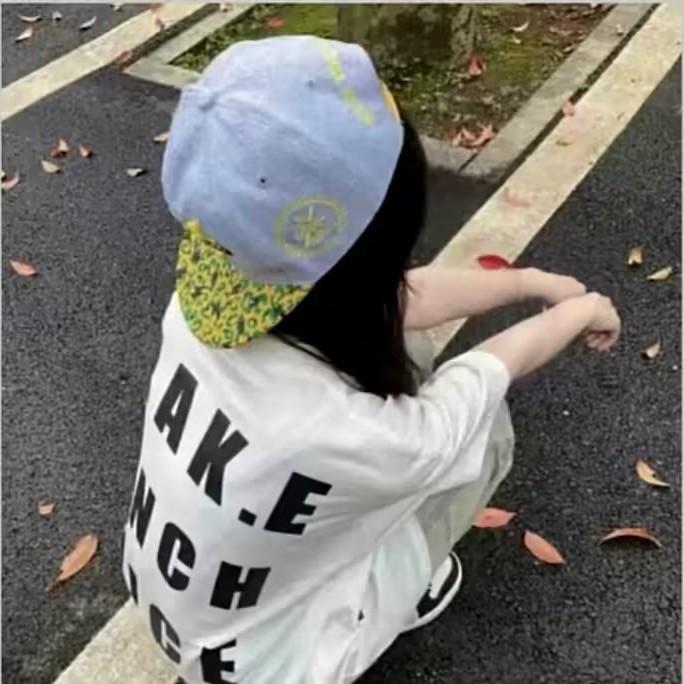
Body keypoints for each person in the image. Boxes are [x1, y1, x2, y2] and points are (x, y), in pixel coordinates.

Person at [122, 35, 621, 684]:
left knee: (395, 359)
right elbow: (479, 378)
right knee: (485, 432)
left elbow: (384, 299)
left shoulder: (197, 310)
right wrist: (579, 311)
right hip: (279, 670)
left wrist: (530, 283)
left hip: (176, 603)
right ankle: (397, 590)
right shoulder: (362, 436)